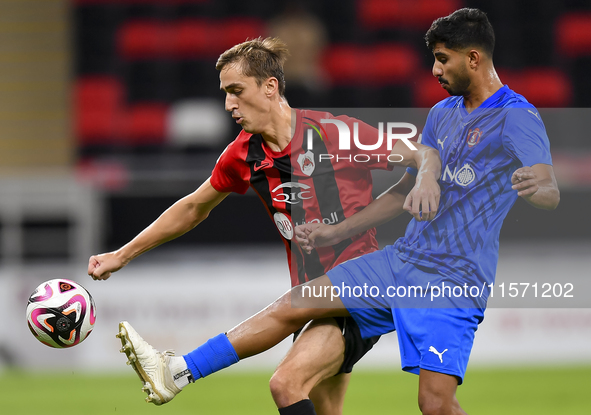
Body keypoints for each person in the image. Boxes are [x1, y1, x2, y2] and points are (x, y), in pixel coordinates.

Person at [109, 9, 560, 414]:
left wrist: (532, 186)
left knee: (433, 404)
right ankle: (179, 371)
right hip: (400, 260)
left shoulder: (515, 116)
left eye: (443, 59)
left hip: (452, 278)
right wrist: (338, 229)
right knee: (293, 331)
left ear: (474, 58)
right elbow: (406, 186)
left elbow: (548, 190)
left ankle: (178, 372)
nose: (435, 69)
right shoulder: (443, 113)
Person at [88, 37, 441, 415]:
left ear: (270, 87)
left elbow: (424, 153)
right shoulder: (242, 154)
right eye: (225, 94)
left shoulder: (334, 133)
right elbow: (192, 208)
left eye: (237, 91)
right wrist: (122, 254)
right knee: (317, 402)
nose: (228, 105)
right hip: (320, 300)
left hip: (363, 283)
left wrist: (424, 179)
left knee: (284, 382)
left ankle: (178, 371)